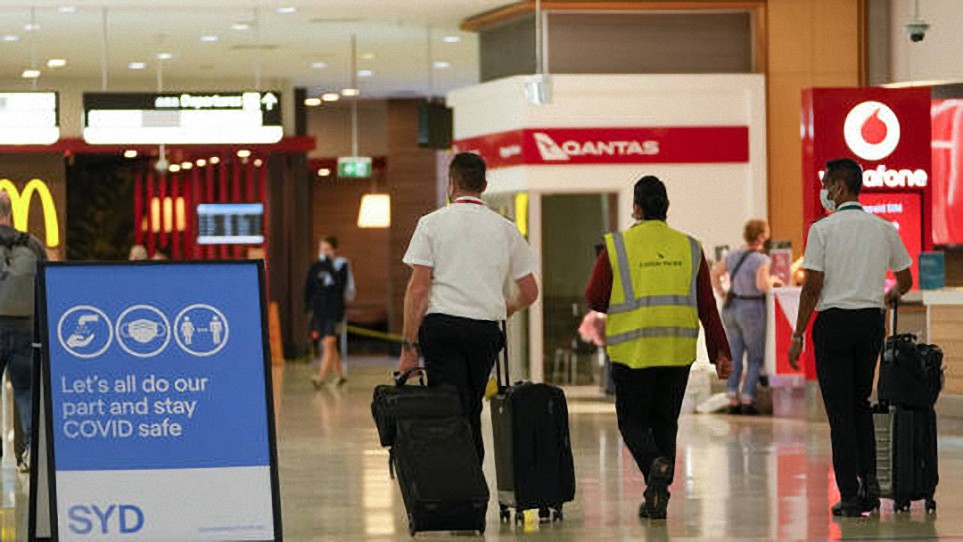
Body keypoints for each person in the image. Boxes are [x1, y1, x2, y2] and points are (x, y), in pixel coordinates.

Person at [585, 175, 732, 520]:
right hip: (677, 351)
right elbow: (707, 306)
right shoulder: (690, 246)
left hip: (633, 351)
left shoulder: (617, 246)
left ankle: (655, 464)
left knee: (632, 422)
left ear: (636, 207)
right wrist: (720, 353)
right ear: (666, 208)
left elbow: (595, 296)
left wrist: (625, 304)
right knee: (666, 422)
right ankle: (657, 498)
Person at [788, 158, 913, 517]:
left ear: (840, 188)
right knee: (860, 404)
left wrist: (798, 334)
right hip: (869, 323)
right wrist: (888, 298)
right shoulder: (883, 228)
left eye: (827, 185)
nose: (825, 192)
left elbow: (812, 287)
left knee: (840, 412)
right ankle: (871, 482)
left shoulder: (822, 230)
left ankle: (849, 492)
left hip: (834, 325)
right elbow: (904, 280)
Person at [397, 152, 539, 464]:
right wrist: (509, 307)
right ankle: (472, 479)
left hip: (442, 327)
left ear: (451, 184)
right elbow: (530, 291)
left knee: (450, 407)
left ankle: (458, 484)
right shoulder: (506, 229)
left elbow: (418, 289)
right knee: (471, 405)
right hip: (484, 331)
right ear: (484, 185)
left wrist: (409, 346)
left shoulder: (431, 224)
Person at [710, 219, 783, 415]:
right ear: (761, 236)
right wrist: (774, 280)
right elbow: (761, 285)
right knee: (754, 357)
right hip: (751, 308)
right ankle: (748, 398)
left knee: (734, 354)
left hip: (731, 306)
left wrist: (722, 293)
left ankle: (732, 397)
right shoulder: (761, 260)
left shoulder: (732, 255)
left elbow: (715, 272)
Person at [0, 190, 46, 473]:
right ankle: (30, 451)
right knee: (26, 391)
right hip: (25, 328)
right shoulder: (32, 244)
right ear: (10, 213)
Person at [304, 236, 355, 388]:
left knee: (329, 342)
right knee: (328, 344)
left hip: (335, 309)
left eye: (327, 249)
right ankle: (339, 375)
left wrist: (330, 266)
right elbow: (309, 288)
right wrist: (308, 307)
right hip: (320, 310)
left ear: (334, 250)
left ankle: (321, 377)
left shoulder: (341, 266)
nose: (324, 252)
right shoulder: (315, 267)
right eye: (322, 249)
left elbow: (342, 286)